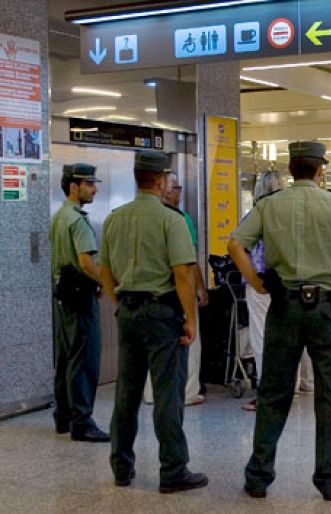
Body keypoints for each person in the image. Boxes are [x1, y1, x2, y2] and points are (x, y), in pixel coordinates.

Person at [228, 141, 331, 501]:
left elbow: (236, 244)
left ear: (291, 169)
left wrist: (255, 281)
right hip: (326, 310)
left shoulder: (268, 205)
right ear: (320, 169)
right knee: (329, 395)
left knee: (274, 394)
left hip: (284, 307)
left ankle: (258, 476)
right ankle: (329, 479)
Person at [99, 150, 208, 493]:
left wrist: (120, 302)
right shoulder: (170, 219)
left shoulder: (114, 219)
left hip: (129, 313)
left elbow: (104, 270)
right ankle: (173, 471)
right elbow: (182, 273)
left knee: (127, 393)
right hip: (162, 315)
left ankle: (121, 467)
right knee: (167, 394)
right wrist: (190, 319)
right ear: (161, 180)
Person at [241, 171, 314, 412]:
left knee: (263, 338)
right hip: (292, 283)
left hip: (263, 284)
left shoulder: (258, 213)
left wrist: (251, 279)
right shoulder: (294, 214)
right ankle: (305, 382)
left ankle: (268, 392)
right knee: (297, 334)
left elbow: (236, 245)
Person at [50, 163, 109, 443]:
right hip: (79, 294)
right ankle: (82, 421)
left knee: (67, 355)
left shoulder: (60, 216)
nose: (94, 189)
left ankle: (63, 415)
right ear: (74, 187)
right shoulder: (77, 220)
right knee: (84, 357)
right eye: (89, 184)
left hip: (63, 292)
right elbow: (86, 262)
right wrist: (106, 283)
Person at [143, 172, 208, 406]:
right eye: (177, 187)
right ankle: (188, 392)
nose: (180, 192)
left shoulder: (141, 217)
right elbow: (188, 261)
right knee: (190, 341)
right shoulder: (179, 219)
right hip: (178, 290)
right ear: (165, 189)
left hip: (148, 295)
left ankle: (151, 394)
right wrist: (200, 288)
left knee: (154, 349)